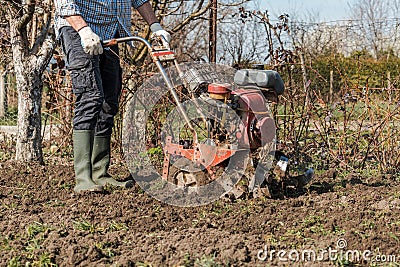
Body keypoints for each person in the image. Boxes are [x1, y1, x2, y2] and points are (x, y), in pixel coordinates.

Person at [54, 0, 171, 193]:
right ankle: (83, 177)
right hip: (78, 30)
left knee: (110, 101)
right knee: (90, 96)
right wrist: (83, 30)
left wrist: (155, 26)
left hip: (110, 33)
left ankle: (100, 173)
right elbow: (64, 3)